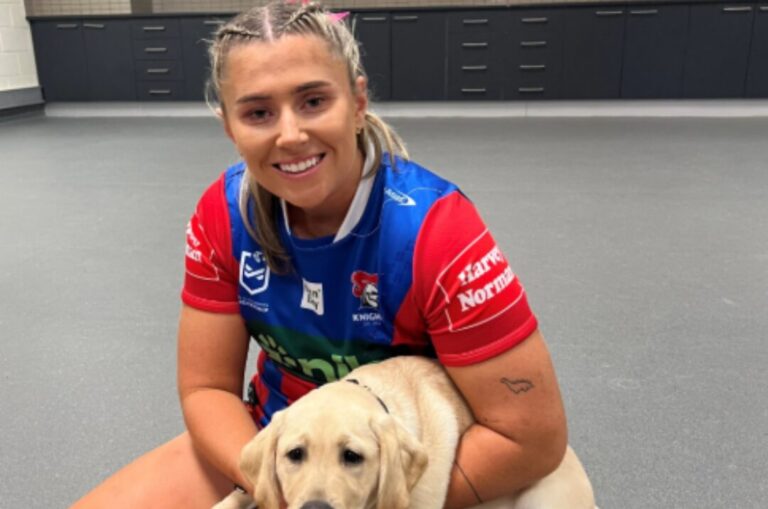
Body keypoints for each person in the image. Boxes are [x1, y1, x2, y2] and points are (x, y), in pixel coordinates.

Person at [72, 1, 568, 508]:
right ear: (229, 126)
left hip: (406, 457)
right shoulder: (222, 214)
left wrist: (377, 499)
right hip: (280, 441)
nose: (290, 135)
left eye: (313, 101)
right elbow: (207, 390)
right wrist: (274, 488)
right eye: (258, 112)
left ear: (357, 101)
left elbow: (530, 438)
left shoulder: (435, 232)